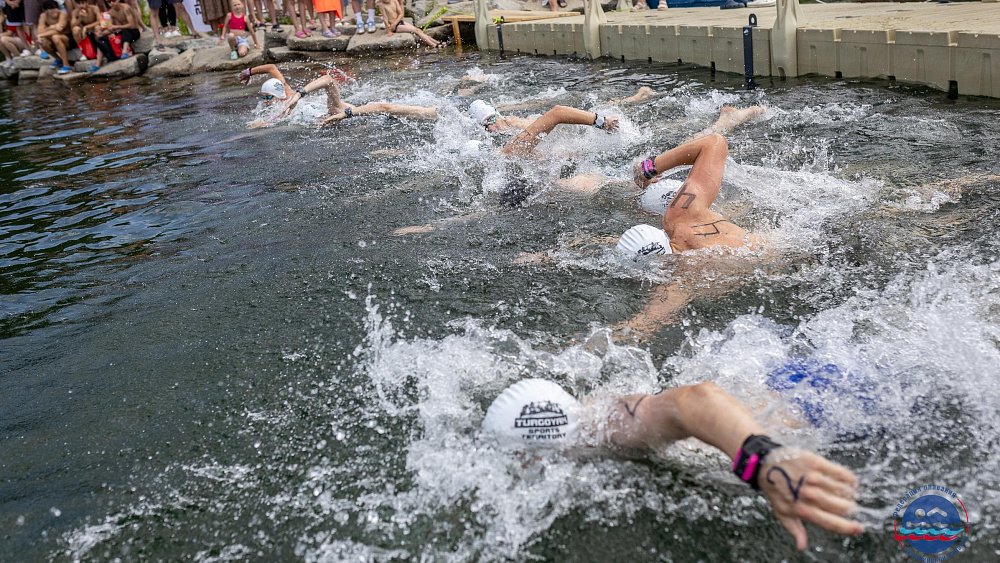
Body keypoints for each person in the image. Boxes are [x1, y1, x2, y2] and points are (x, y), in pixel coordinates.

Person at [482, 378, 864, 551]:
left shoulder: (609, 428)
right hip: (789, 382)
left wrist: (764, 462)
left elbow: (696, 399)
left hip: (828, 405)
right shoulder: (588, 420)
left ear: (537, 449)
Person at [237, 64, 437, 128]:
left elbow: (328, 79)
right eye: (262, 98)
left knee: (384, 109)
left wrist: (298, 95)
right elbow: (272, 69)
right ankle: (425, 112)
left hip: (337, 113)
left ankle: (427, 112)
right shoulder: (285, 97)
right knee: (385, 111)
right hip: (342, 112)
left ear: (278, 95)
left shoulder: (288, 96)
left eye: (267, 98)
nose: (264, 102)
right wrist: (248, 73)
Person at [467, 99, 620, 157]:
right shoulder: (510, 151)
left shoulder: (514, 143)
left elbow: (557, 112)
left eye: (493, 118)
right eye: (487, 124)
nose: (494, 126)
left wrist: (602, 122)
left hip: (583, 134)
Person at [35, 0, 71, 73]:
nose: (54, 10)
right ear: (46, 10)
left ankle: (66, 65)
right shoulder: (43, 16)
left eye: (55, 8)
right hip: (52, 39)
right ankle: (58, 59)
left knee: (55, 37)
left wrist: (46, 30)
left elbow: (59, 29)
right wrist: (52, 27)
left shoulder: (63, 14)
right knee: (42, 41)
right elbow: (40, 31)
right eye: (51, 9)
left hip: (67, 39)